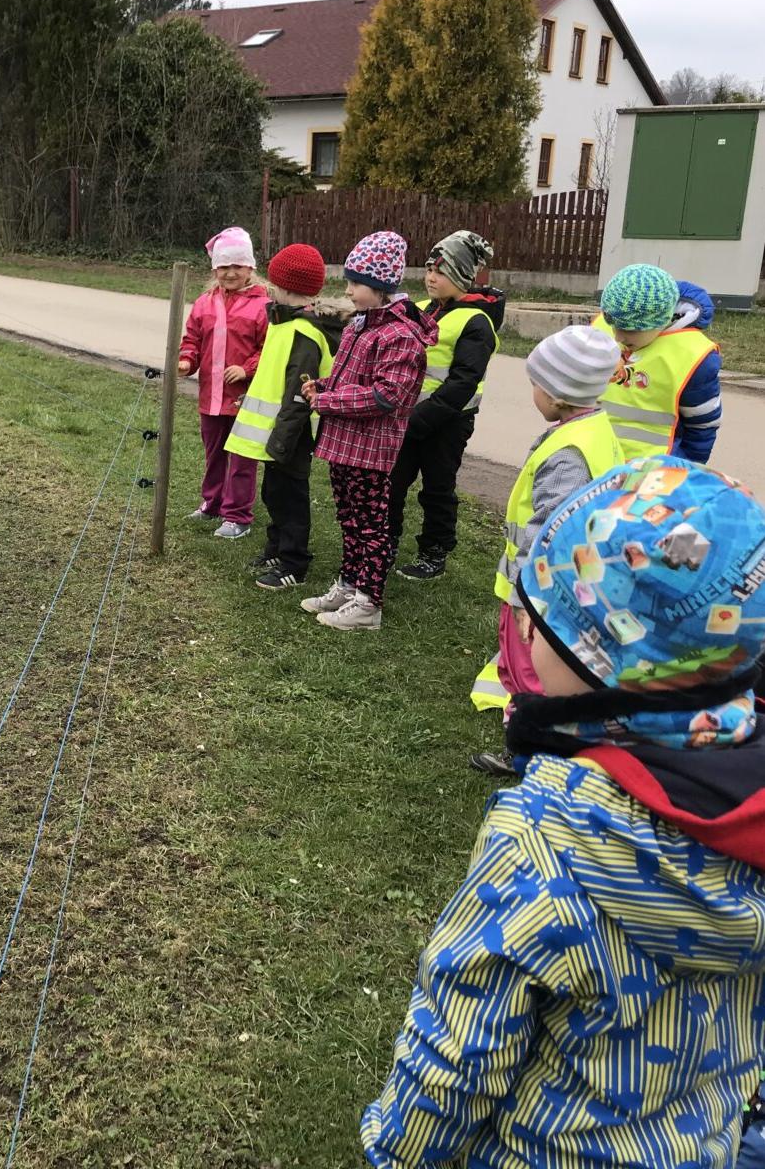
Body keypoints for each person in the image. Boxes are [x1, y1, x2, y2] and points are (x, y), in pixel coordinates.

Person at [364, 457, 765, 1169]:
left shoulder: (546, 834)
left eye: (540, 617)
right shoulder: (749, 804)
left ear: (603, 655)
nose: (520, 629)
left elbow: (463, 1047)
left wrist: (397, 1153)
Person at [468, 326, 625, 755]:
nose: (532, 393)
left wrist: (526, 602)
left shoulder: (568, 456)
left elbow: (548, 532)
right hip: (561, 589)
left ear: (557, 395)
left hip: (540, 596)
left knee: (530, 674)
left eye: (535, 384)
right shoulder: (595, 430)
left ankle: (536, 754)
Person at [298, 231, 436, 630]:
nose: (348, 290)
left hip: (371, 449)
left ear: (379, 286)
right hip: (344, 444)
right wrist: (323, 386)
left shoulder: (399, 336)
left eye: (355, 283)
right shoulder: (363, 323)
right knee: (349, 519)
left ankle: (368, 604)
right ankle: (348, 584)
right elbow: (349, 376)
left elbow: (385, 395)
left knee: (372, 525)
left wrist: (327, 402)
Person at [390, 230, 505, 581]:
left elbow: (463, 381)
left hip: (448, 421)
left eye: (439, 271)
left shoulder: (477, 322)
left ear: (460, 276)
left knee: (438, 487)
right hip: (407, 418)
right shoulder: (420, 309)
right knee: (391, 482)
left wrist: (421, 418)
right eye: (428, 269)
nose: (430, 278)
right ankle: (386, 540)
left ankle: (434, 551)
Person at [223, 243, 332, 590]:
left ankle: (294, 562)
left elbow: (299, 394)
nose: (268, 287)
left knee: (290, 497)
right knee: (273, 491)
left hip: (293, 433)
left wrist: (283, 439)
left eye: (273, 282)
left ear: (283, 287)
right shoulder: (281, 323)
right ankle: (276, 546)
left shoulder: (304, 333)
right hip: (277, 431)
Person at [177, 227, 271, 540]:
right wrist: (187, 360)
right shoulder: (205, 303)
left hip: (244, 399)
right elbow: (192, 338)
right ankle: (212, 502)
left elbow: (270, 348)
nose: (230, 273)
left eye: (237, 267)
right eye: (224, 267)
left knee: (242, 458)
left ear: (250, 269)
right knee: (214, 453)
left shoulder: (262, 306)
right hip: (211, 397)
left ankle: (238, 515)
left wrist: (247, 369)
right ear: (215, 269)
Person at [594, 264, 722, 463]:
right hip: (593, 458)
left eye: (630, 330)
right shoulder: (605, 326)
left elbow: (702, 427)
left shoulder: (694, 357)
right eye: (614, 326)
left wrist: (686, 470)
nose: (618, 336)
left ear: (661, 321)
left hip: (651, 475)